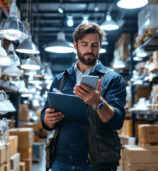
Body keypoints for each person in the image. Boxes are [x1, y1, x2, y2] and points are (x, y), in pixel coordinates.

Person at [41, 22, 126, 171]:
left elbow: (117, 122)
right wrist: (48, 120)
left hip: (95, 163)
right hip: (61, 161)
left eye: (94, 45)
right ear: (75, 45)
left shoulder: (113, 79)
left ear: (100, 46)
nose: (89, 50)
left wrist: (99, 102)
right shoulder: (61, 79)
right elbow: (45, 117)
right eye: (84, 44)